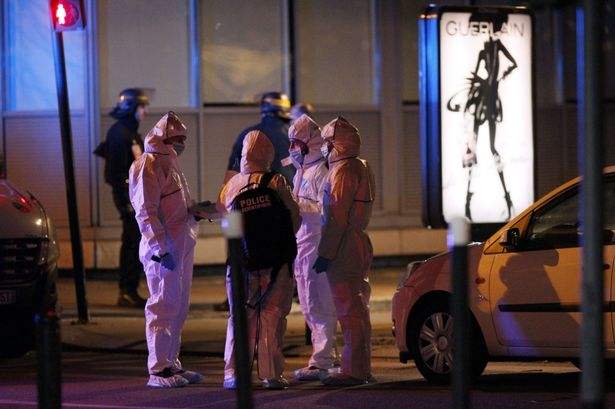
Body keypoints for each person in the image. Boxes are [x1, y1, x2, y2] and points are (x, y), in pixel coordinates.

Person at [217, 130, 301, 390]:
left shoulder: (231, 186)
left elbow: (229, 227)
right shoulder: (276, 182)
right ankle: (271, 374)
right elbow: (294, 220)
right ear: (268, 154)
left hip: (243, 265)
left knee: (240, 319)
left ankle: (234, 374)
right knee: (273, 316)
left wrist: (240, 254)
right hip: (277, 263)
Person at [128, 112, 203, 388]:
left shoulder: (169, 163)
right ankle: (158, 370)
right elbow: (145, 212)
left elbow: (174, 205)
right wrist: (160, 247)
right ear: (164, 138)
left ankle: (171, 364)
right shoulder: (147, 165)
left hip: (180, 244)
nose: (181, 144)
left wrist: (196, 210)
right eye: (177, 139)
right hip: (164, 250)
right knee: (162, 306)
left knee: (178, 307)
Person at [214, 91, 296, 313]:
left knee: (240, 252)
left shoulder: (247, 135)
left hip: (246, 212)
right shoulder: (292, 135)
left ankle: (235, 292)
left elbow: (229, 182)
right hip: (280, 211)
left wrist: (226, 216)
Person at [313, 117, 376, 386]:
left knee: (350, 310)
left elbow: (336, 217)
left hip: (344, 247)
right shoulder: (359, 166)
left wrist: (325, 253)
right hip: (356, 241)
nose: (324, 149)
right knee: (359, 309)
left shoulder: (343, 171)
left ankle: (353, 370)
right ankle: (361, 366)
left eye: (327, 143)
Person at [288, 114, 338, 380]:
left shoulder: (322, 172)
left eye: (296, 143)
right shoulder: (302, 171)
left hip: (315, 245)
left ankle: (322, 359)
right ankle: (326, 356)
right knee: (309, 303)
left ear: (310, 143)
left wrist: (296, 206)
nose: (293, 149)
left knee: (319, 303)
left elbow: (324, 211)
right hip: (303, 245)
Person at [102, 88, 149, 308]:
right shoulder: (120, 133)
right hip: (129, 199)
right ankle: (127, 290)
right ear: (132, 108)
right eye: (142, 107)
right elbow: (114, 174)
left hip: (134, 197)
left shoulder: (128, 132)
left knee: (135, 242)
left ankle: (130, 289)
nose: (145, 112)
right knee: (131, 242)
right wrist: (128, 198)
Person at [224, 91, 295, 185]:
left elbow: (233, 172)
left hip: (255, 194)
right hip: (290, 194)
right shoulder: (295, 134)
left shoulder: (248, 135)